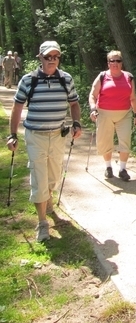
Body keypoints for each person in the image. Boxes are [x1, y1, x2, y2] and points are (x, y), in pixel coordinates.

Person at [6, 40, 82, 242]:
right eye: (48, 57)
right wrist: (12, 134)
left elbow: (74, 104)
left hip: (58, 135)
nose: (52, 60)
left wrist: (77, 123)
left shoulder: (66, 79)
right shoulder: (28, 80)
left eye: (56, 56)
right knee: (39, 179)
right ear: (40, 57)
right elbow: (17, 108)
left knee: (53, 177)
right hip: (35, 136)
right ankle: (42, 223)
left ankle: (47, 198)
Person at [88, 50, 136, 181]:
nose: (115, 63)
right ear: (108, 63)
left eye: (118, 61)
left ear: (122, 63)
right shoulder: (102, 76)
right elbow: (92, 95)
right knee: (105, 141)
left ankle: (122, 169)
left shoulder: (129, 77)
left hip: (125, 114)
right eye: (112, 61)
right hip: (104, 114)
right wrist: (93, 109)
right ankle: (108, 167)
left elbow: (133, 98)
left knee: (125, 140)